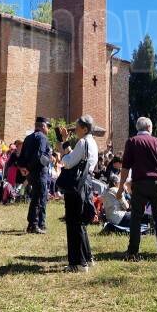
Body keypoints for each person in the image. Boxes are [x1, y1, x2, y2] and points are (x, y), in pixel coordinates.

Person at [119, 117, 157, 262]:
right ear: (149, 127)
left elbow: (125, 167)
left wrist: (120, 188)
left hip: (139, 183)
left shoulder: (132, 142)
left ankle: (132, 252)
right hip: (156, 184)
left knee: (136, 218)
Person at [61, 116, 99, 272]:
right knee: (80, 223)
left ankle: (78, 263)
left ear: (84, 129)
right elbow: (76, 158)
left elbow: (69, 162)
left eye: (77, 127)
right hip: (86, 182)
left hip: (76, 186)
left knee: (73, 222)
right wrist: (65, 141)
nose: (75, 130)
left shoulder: (82, 142)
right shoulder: (92, 143)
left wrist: (62, 156)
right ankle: (87, 259)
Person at [19, 117, 52, 234]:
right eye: (48, 127)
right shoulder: (42, 137)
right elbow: (38, 155)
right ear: (43, 126)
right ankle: (33, 225)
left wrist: (23, 168)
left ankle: (40, 224)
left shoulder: (28, 138)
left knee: (38, 198)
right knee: (38, 199)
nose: (48, 130)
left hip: (30, 173)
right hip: (39, 172)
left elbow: (21, 155)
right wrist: (27, 168)